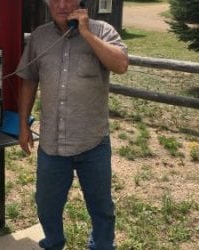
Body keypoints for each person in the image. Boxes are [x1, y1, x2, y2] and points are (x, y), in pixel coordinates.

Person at [16, 0, 128, 249]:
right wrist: (23, 125)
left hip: (93, 141)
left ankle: (101, 245)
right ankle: (53, 242)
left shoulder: (102, 31)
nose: (62, 4)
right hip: (52, 144)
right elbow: (28, 81)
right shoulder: (40, 36)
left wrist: (86, 33)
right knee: (46, 203)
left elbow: (121, 65)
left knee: (101, 206)